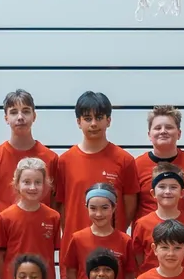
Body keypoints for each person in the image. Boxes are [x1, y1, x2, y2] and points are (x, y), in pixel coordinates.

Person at [55, 91, 139, 236]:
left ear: (108, 120)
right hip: (74, 246)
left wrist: (114, 234)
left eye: (99, 117)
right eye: (88, 118)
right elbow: (60, 206)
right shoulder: (64, 161)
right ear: (78, 122)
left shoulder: (125, 160)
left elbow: (130, 206)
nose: (93, 123)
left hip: (111, 248)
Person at [0, 157, 62, 279]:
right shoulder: (5, 218)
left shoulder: (53, 217)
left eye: (38, 182)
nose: (32, 187)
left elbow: (51, 254)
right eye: (26, 182)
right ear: (17, 184)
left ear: (45, 185)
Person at [0, 89, 58, 214]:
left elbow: (55, 202)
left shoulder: (50, 158)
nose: (20, 117)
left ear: (34, 116)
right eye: (14, 112)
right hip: (2, 230)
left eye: (26, 111)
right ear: (6, 118)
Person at [62, 184, 133, 279]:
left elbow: (130, 274)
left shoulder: (125, 240)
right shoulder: (78, 239)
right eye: (93, 208)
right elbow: (70, 271)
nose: (99, 214)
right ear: (86, 207)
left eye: (105, 208)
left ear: (114, 207)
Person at [129, 165, 184, 275]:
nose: (167, 191)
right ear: (153, 193)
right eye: (162, 186)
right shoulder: (142, 224)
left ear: (182, 193)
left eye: (173, 187)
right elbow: (138, 259)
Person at [135, 105, 184, 218]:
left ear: (179, 134)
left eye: (169, 127)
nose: (163, 131)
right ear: (149, 135)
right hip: (147, 234)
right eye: (157, 128)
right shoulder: (136, 166)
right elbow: (130, 207)